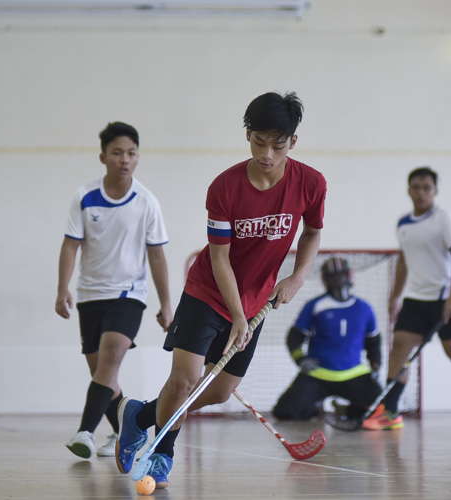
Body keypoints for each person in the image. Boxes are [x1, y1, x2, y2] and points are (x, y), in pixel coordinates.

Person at [114, 91, 326, 489]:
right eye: (259, 142)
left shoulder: (311, 183)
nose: (267, 154)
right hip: (209, 294)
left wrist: (297, 277)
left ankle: (139, 417)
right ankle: (163, 454)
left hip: (256, 299)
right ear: (247, 135)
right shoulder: (225, 188)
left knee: (219, 391)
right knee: (185, 381)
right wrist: (237, 316)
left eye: (277, 145)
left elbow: (312, 233)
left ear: (292, 142)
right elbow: (219, 257)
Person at [56, 121, 173, 459]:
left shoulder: (147, 202)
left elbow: (157, 255)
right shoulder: (85, 197)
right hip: (89, 296)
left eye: (132, 153)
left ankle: (85, 432)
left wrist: (167, 305)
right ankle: (125, 433)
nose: (125, 159)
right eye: (118, 153)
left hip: (128, 296)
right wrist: (62, 287)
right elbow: (69, 247)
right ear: (103, 156)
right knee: (102, 376)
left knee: (109, 360)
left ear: (137, 158)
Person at [362, 167, 451, 431]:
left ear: (435, 191)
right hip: (416, 298)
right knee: (400, 349)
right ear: (408, 190)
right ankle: (391, 411)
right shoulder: (403, 223)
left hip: (447, 297)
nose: (421, 192)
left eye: (426, 187)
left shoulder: (445, 219)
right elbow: (404, 261)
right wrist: (395, 296)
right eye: (415, 187)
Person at [272, 257, 382, 421]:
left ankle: (346, 410)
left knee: (380, 409)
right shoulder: (315, 306)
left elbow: (373, 341)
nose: (337, 280)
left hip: (354, 373)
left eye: (341, 275)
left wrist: (375, 364)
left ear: (350, 275)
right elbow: (294, 337)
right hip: (318, 373)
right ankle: (316, 409)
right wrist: (300, 359)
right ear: (324, 279)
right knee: (285, 411)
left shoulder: (364, 308)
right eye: (332, 276)